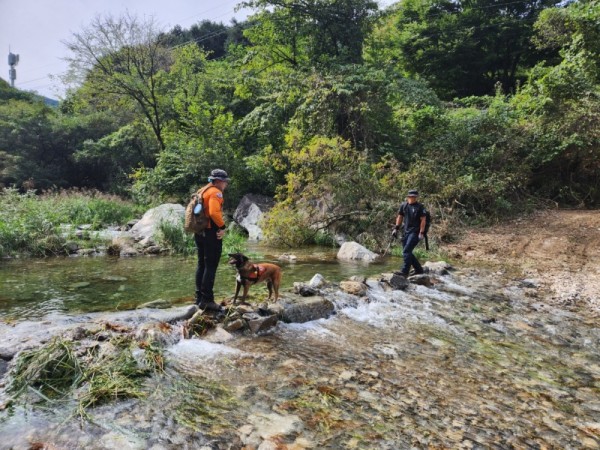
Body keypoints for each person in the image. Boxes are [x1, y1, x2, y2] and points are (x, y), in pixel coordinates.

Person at [194, 169, 230, 311]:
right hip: (211, 233)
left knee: (202, 264)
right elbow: (214, 212)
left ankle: (199, 298)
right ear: (219, 181)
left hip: (199, 232)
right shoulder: (216, 192)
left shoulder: (202, 190)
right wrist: (222, 227)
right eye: (225, 181)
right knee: (211, 265)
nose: (226, 184)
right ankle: (207, 300)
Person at [392, 190, 427, 277]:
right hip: (406, 232)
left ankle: (404, 271)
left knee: (406, 251)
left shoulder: (420, 207)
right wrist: (396, 228)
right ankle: (419, 270)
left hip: (415, 232)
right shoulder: (404, 205)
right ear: (408, 197)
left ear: (416, 197)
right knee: (408, 252)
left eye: (414, 197)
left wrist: (421, 232)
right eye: (411, 196)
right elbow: (400, 216)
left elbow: (423, 220)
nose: (412, 198)